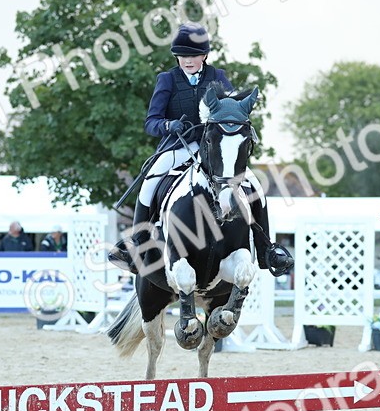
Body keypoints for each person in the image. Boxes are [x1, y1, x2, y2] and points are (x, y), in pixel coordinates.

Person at [110, 22, 291, 275]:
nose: (188, 60)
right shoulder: (167, 80)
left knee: (255, 187)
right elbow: (151, 122)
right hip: (179, 145)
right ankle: (137, 245)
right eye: (183, 56)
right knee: (150, 182)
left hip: (214, 150)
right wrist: (167, 124)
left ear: (204, 55)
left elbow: (231, 110)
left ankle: (265, 249)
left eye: (193, 55)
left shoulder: (217, 77)